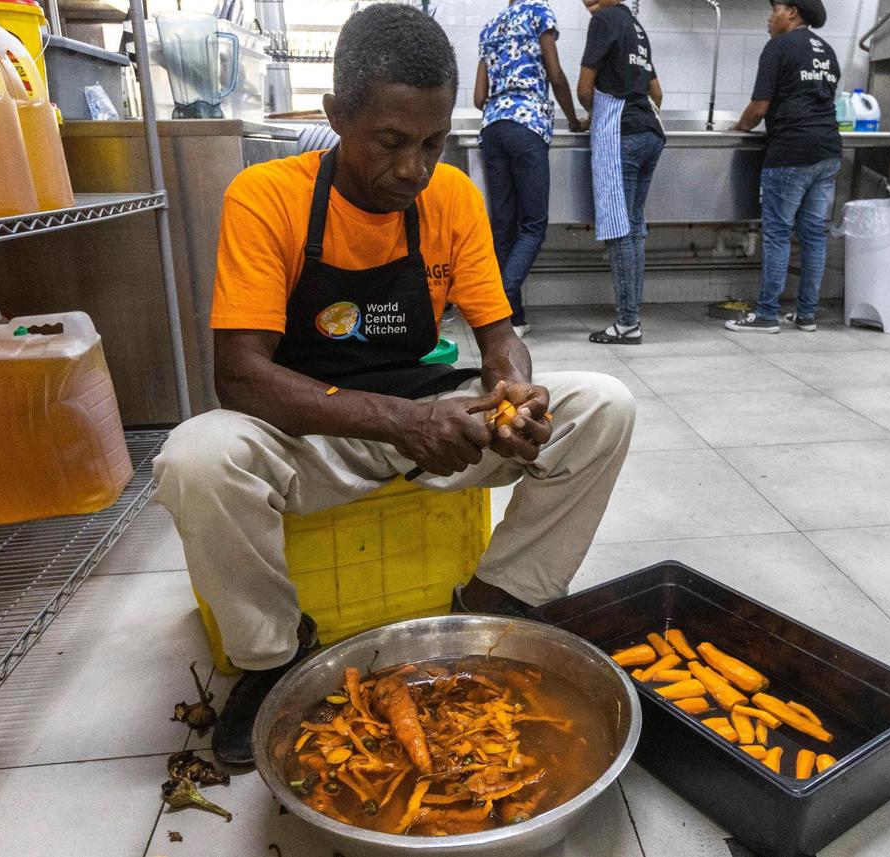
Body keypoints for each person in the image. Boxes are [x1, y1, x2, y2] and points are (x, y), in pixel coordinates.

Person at [152, 3, 636, 768]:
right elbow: (239, 375)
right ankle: (270, 657)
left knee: (605, 405)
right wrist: (397, 422)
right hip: (308, 436)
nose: (414, 168)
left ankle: (495, 601)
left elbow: (499, 336)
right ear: (337, 115)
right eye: (391, 142)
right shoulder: (266, 197)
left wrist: (515, 396)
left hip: (429, 423)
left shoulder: (452, 197)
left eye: (434, 143)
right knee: (197, 457)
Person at [725, 0, 841, 334]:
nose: (769, 17)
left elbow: (759, 107)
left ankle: (766, 315)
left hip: (791, 150)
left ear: (792, 12)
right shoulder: (828, 51)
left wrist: (739, 128)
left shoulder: (778, 47)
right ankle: (806, 315)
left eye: (775, 9)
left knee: (777, 234)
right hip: (828, 150)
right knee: (813, 235)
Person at [475, 0, 587, 340]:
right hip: (528, 126)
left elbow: (480, 97)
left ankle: (514, 320)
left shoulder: (490, 26)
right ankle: (500, 302)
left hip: (493, 129)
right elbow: (555, 74)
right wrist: (572, 117)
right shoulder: (539, 12)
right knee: (534, 225)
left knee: (504, 227)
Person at [578, 0, 664, 345]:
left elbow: (585, 88)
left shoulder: (603, 20)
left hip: (620, 133)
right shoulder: (636, 27)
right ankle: (632, 317)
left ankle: (628, 323)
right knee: (634, 229)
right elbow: (657, 93)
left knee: (619, 230)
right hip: (649, 132)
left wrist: (592, 115)